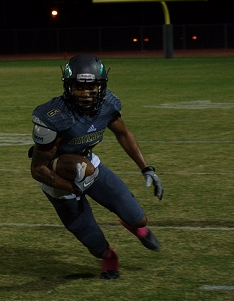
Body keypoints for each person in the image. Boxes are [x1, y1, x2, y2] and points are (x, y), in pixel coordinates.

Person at [29, 54, 163, 280]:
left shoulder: (107, 105)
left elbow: (123, 133)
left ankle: (134, 226)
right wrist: (74, 189)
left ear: (101, 86)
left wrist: (146, 168)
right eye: (79, 87)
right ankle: (110, 257)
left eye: (92, 87)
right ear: (68, 86)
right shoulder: (54, 117)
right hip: (58, 180)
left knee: (138, 218)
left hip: (90, 165)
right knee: (94, 243)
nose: (86, 93)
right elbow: (38, 170)